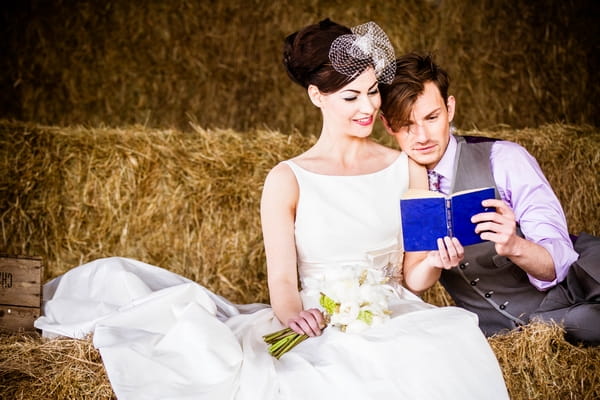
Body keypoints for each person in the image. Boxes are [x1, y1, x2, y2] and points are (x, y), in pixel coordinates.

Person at [34, 22, 508, 399]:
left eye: (371, 91)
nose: (367, 107)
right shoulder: (287, 179)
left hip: (394, 314)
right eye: (351, 96)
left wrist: (438, 260)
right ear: (316, 96)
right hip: (314, 317)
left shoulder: (406, 169)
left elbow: (413, 279)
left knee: (441, 353)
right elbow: (282, 281)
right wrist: (293, 315)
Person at [380, 52, 600, 345]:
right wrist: (435, 261)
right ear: (387, 125)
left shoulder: (505, 159)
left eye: (432, 118)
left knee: (586, 323)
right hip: (491, 330)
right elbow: (411, 284)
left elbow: (559, 263)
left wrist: (514, 245)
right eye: (406, 124)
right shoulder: (392, 184)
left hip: (576, 292)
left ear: (450, 108)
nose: (421, 136)